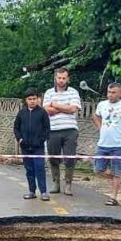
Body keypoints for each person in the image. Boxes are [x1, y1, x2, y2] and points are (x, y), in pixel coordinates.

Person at [43, 67, 82, 195]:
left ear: (68, 79)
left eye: (64, 78)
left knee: (69, 158)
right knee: (53, 157)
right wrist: (65, 107)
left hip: (70, 130)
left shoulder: (74, 92)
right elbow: (46, 110)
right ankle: (56, 183)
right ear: (55, 78)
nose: (61, 80)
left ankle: (68, 184)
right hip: (53, 129)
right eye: (59, 78)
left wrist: (56, 105)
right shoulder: (49, 92)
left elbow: (73, 109)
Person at [14, 89, 51, 201]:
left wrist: (41, 140)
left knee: (39, 168)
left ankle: (43, 192)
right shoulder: (21, 113)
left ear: (38, 99)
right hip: (25, 147)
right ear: (26, 100)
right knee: (29, 169)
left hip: (38, 148)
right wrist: (20, 139)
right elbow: (16, 127)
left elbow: (47, 129)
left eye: (34, 99)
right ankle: (31, 191)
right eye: (30, 99)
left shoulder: (42, 113)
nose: (32, 101)